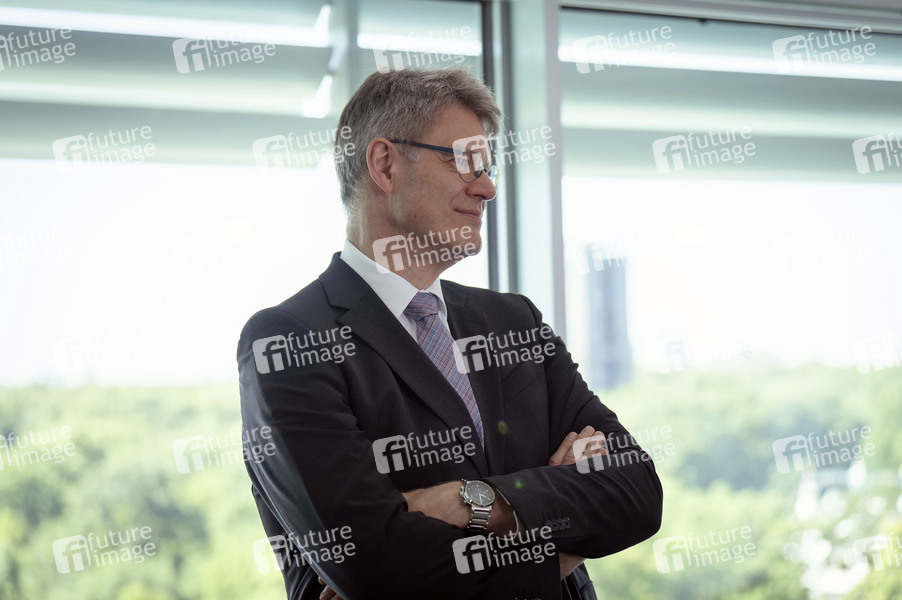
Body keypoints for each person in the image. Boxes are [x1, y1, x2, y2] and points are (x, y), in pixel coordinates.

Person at [237, 66, 662, 600]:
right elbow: (379, 569)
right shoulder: (288, 342)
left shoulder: (514, 321)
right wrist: (567, 538)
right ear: (385, 164)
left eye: (487, 169)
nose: (486, 188)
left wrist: (470, 500)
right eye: (463, 162)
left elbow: (638, 492)